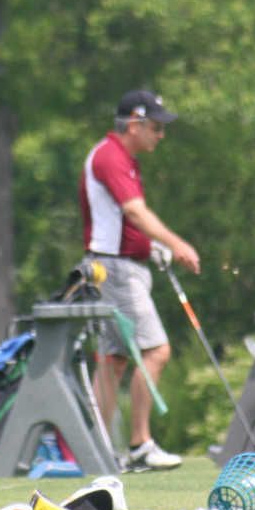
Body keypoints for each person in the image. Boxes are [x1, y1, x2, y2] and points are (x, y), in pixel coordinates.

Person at [80, 89, 200, 470]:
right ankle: (139, 443)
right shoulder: (110, 157)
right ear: (134, 124)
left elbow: (124, 225)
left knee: (113, 360)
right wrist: (177, 244)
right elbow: (133, 212)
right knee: (156, 351)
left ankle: (97, 448)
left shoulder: (122, 157)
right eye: (155, 127)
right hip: (115, 271)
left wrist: (151, 248)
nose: (160, 136)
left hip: (117, 265)